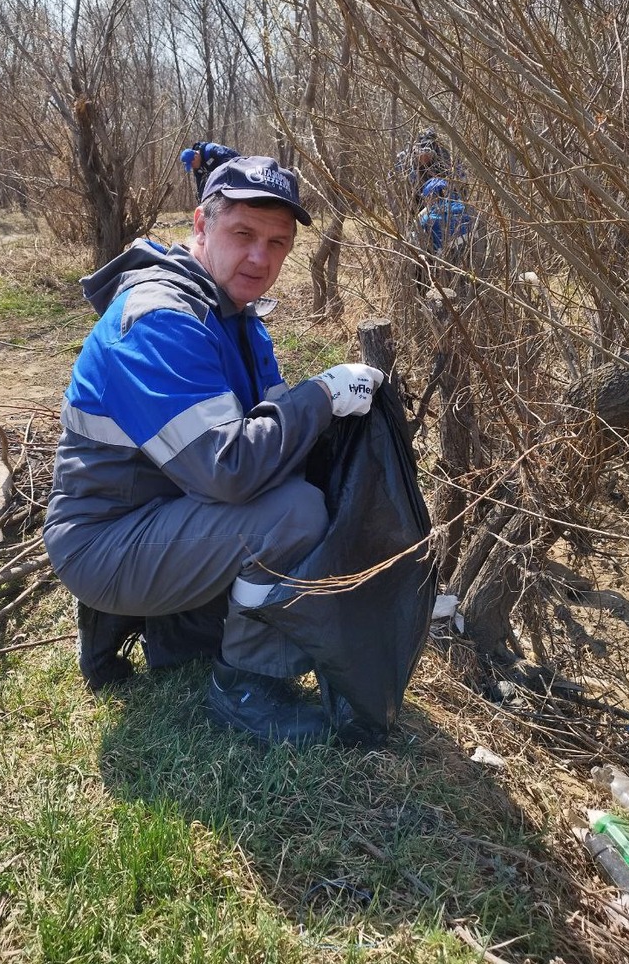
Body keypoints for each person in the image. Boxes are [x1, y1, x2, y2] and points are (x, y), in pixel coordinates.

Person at [43, 155, 384, 744]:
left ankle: (174, 626)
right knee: (295, 514)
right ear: (201, 225)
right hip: (103, 539)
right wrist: (323, 396)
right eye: (243, 234)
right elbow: (229, 470)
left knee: (299, 488)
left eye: (278, 243)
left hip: (159, 514)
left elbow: (278, 447)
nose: (261, 257)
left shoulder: (238, 317)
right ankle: (246, 689)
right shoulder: (161, 318)